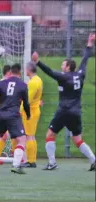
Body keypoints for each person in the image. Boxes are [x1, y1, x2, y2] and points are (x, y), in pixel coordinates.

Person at [33, 33, 95, 171]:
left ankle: (52, 162)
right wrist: (89, 44)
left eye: (63, 64)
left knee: (50, 135)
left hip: (64, 111)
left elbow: (49, 72)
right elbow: (85, 59)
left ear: (67, 67)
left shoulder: (63, 77)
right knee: (78, 140)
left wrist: (38, 62)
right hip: (76, 112)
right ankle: (93, 160)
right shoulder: (80, 74)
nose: (61, 66)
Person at [20, 62, 43, 168]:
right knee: (31, 136)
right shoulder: (38, 80)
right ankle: (32, 160)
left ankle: (30, 161)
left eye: (26, 69)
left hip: (31, 112)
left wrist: (20, 110)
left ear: (29, 70)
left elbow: (27, 100)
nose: (25, 71)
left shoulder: (33, 82)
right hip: (35, 110)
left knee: (29, 136)